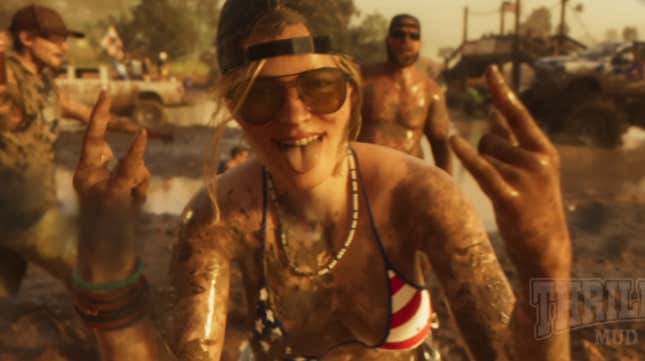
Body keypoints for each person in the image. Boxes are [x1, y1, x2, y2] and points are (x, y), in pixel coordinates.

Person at [71, 1, 572, 361]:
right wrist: (107, 269)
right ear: (234, 111)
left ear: (352, 91)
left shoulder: (420, 196)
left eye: (319, 87)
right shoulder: (219, 218)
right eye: (262, 96)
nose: (295, 117)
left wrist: (546, 267)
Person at [0, 4, 170, 297]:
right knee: (97, 269)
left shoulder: (46, 85)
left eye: (65, 40)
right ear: (26, 38)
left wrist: (141, 130)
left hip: (30, 206)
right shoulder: (9, 74)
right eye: (54, 39)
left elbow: (87, 113)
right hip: (22, 214)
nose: (63, 47)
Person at [359, 14, 453, 174]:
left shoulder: (431, 91)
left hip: (410, 181)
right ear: (388, 39)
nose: (406, 40)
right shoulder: (363, 81)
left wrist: (447, 191)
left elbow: (441, 147)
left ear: (420, 44)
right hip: (366, 177)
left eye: (413, 36)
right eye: (399, 34)